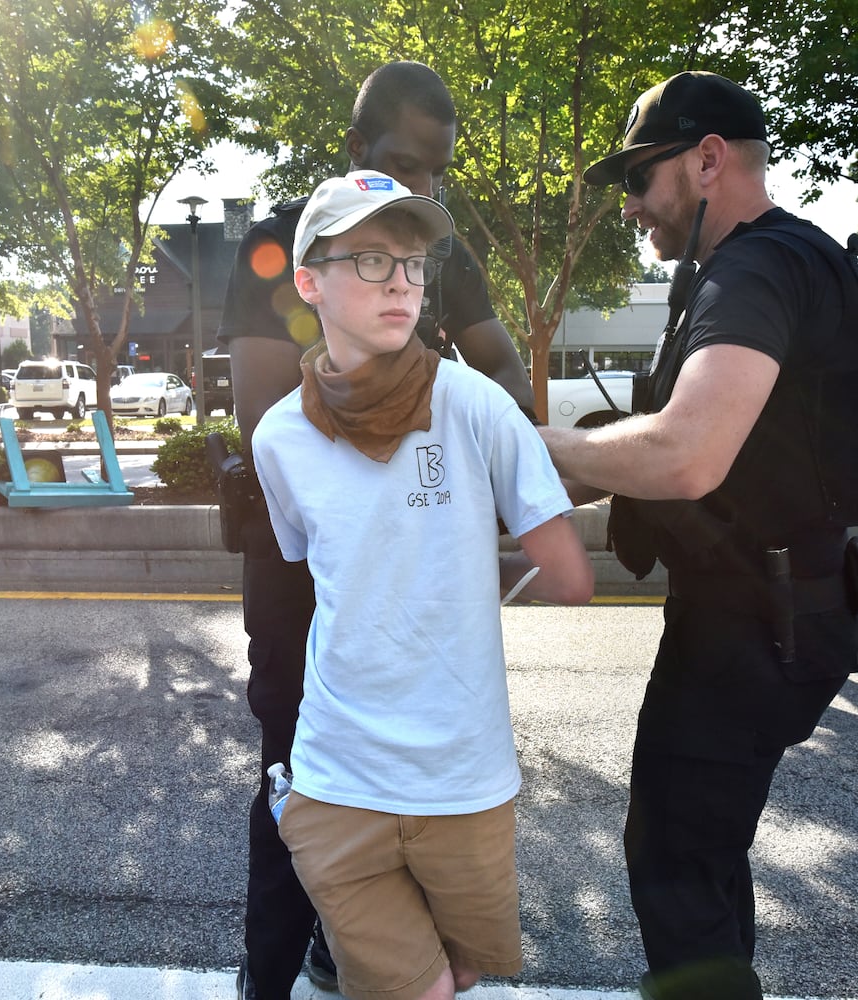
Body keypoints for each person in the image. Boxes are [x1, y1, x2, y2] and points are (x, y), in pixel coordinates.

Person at [538, 72, 858, 1000]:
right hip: (774, 609)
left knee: (676, 862)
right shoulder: (786, 260)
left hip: (751, 626)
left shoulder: (755, 270)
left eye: (641, 181)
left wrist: (525, 448)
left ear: (705, 159)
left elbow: (687, 454)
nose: (633, 209)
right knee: (704, 853)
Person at [216, 61, 536, 1000]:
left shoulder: (438, 252)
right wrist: (410, 399)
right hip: (303, 571)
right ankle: (266, 975)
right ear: (356, 149)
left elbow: (504, 380)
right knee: (295, 776)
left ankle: (357, 948)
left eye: (437, 171)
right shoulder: (280, 242)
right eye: (404, 162)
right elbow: (263, 405)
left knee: (419, 784)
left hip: (417, 569)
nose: (424, 189)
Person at [251, 170, 593, 1000]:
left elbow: (570, 570)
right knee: (421, 990)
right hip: (336, 777)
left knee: (462, 969)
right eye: (370, 260)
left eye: (412, 263)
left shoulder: (474, 405)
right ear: (308, 282)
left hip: (462, 778)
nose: (401, 282)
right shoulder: (278, 438)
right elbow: (320, 568)